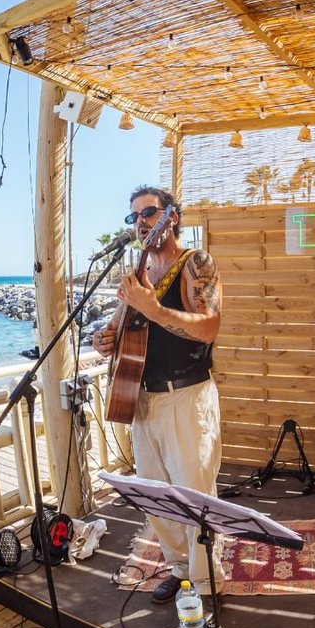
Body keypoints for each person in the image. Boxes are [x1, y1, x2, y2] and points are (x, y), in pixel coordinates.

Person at [94, 184, 224, 601]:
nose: (141, 222)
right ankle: (181, 569)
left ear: (172, 215)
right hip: (141, 398)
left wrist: (153, 308)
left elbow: (210, 326)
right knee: (156, 496)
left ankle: (205, 584)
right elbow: (123, 328)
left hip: (185, 396)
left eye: (149, 213)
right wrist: (106, 338)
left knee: (194, 496)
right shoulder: (137, 272)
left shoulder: (195, 263)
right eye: (134, 217)